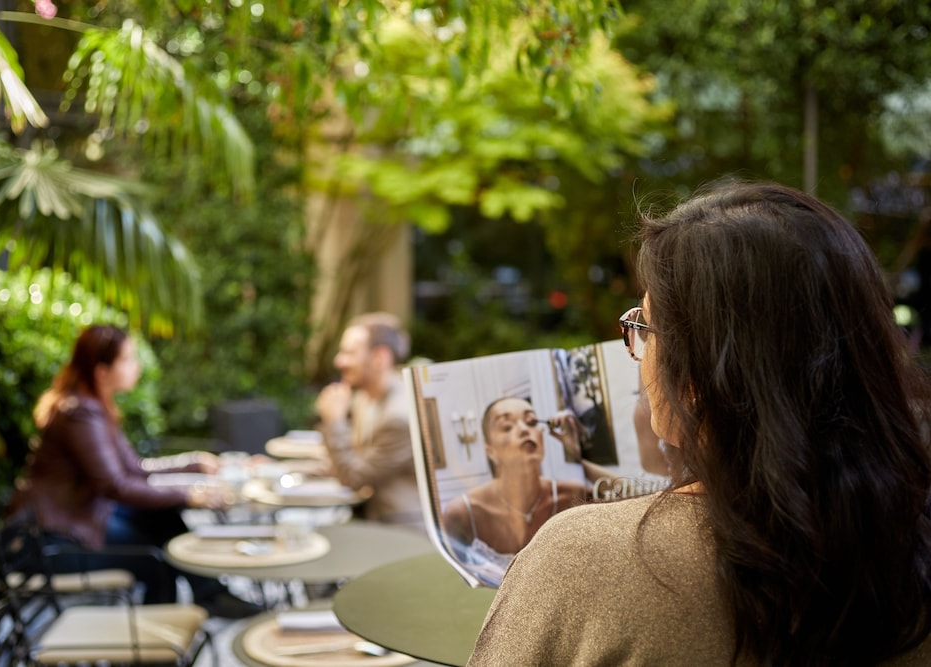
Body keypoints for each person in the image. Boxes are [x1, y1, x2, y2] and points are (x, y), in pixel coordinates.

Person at [467, 182, 931, 665]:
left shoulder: (580, 558)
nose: (638, 354)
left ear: (702, 376)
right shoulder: (905, 552)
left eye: (643, 329)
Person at [7, 325, 257, 617]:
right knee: (158, 560)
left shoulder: (94, 406)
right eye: (128, 359)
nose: (136, 366)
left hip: (81, 521)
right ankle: (170, 633)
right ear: (102, 371)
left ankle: (209, 595)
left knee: (162, 519)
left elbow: (135, 469)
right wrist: (189, 495)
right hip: (54, 542)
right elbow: (115, 486)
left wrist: (195, 462)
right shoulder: (80, 413)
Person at [441, 397, 594, 586]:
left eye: (531, 422)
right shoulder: (462, 514)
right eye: (506, 426)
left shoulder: (574, 496)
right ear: (490, 451)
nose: (523, 429)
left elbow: (635, 500)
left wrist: (577, 455)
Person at [315, 312, 423, 529]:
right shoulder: (364, 398)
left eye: (349, 352)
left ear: (379, 358)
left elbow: (354, 477)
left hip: (400, 530)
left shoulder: (399, 417)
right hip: (371, 517)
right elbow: (352, 458)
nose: (339, 360)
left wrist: (334, 422)